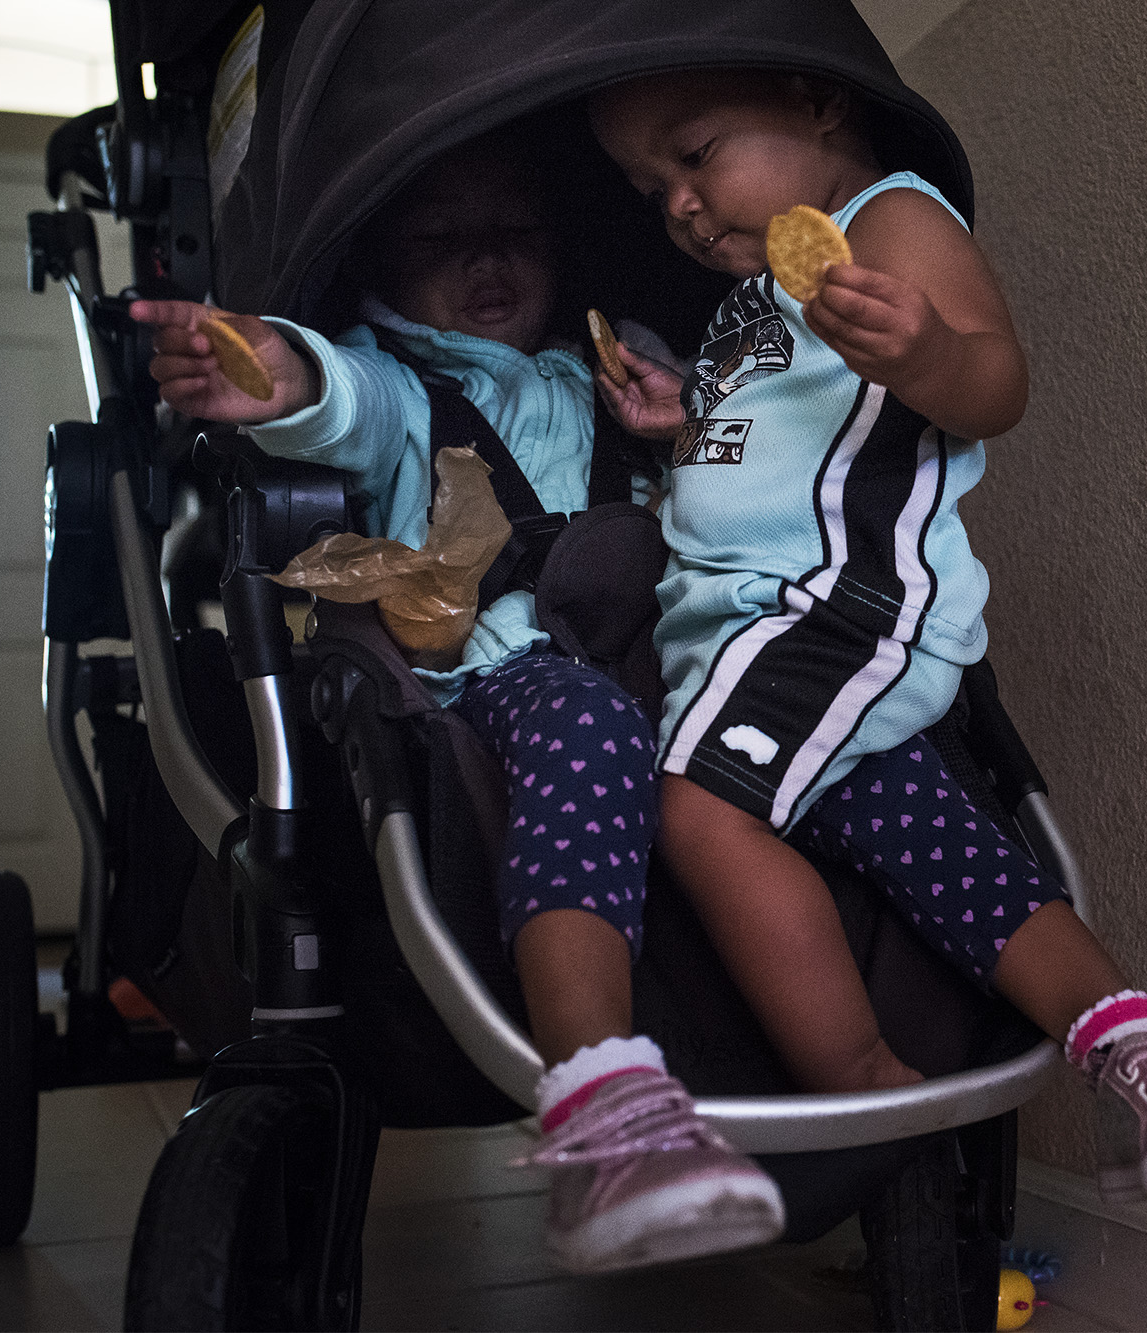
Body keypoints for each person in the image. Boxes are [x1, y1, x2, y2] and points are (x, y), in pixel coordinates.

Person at [591, 70, 1147, 1204]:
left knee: (699, 808)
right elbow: (796, 429)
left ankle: (864, 1088)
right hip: (760, 628)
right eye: (652, 189)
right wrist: (685, 420)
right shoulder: (753, 296)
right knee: (940, 848)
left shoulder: (889, 217)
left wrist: (927, 355)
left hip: (828, 608)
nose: (681, 203)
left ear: (814, 102)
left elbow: (992, 381)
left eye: (697, 154)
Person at [129, 129, 788, 1274]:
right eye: (442, 240)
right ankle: (600, 1101)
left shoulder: (608, 361)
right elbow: (326, 401)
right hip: (502, 671)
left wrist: (682, 423)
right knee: (590, 725)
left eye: (515, 235)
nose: (486, 263)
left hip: (666, 660)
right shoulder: (395, 377)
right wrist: (267, 366)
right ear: (384, 259)